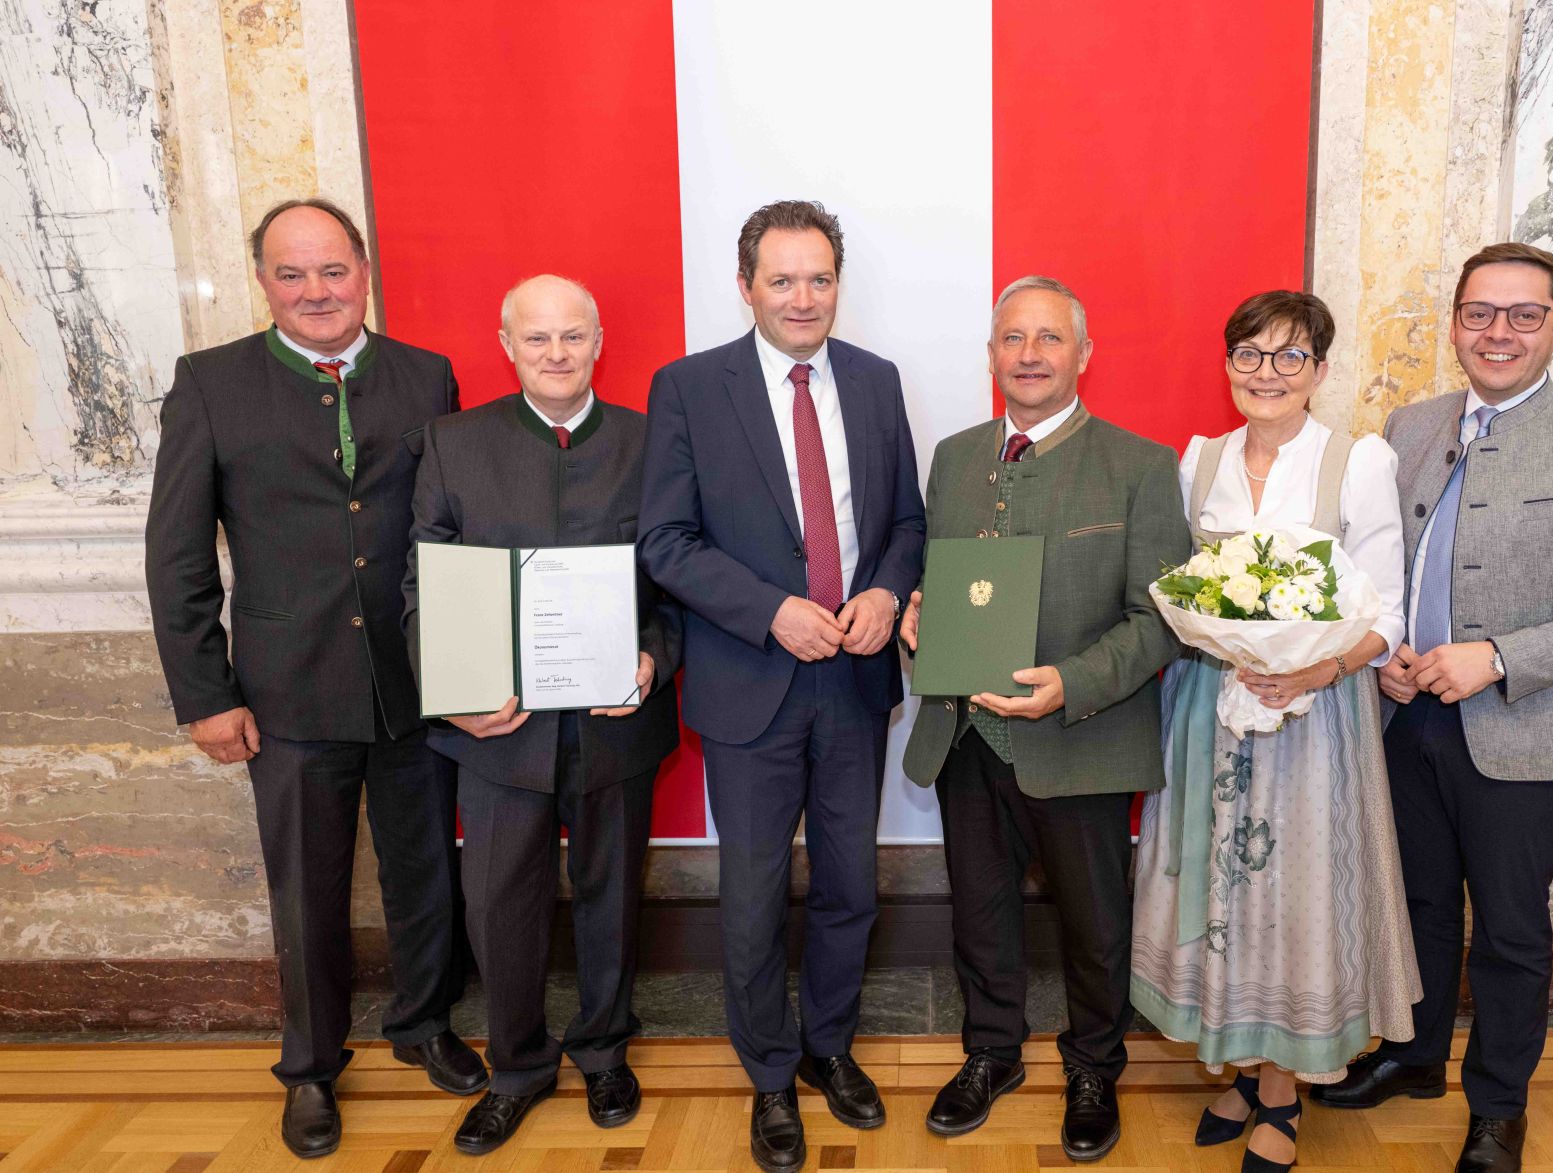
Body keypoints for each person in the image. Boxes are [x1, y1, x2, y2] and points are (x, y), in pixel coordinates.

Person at [1309, 243, 1553, 1173]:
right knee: (1418, 899)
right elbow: (1381, 568)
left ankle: (1498, 1106)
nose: (1497, 332)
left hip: (1525, 731)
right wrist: (1386, 652)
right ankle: (1414, 1055)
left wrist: (1498, 657)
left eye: (1522, 314)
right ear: (1455, 320)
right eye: (1479, 313)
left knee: (1509, 927)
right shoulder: (1414, 424)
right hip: (1407, 716)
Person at [144, 198, 483, 1158]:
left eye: (331, 269)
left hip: (420, 683)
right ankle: (308, 1067)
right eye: (291, 274)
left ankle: (422, 1025)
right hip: (287, 692)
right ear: (263, 281)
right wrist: (206, 694)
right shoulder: (209, 385)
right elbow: (176, 556)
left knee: (428, 876)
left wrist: (476, 659)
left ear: (364, 269)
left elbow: (458, 531)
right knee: (307, 892)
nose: (315, 291)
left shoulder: (427, 377)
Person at [638, 200, 926, 1173]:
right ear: (745, 285)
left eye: (819, 278)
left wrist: (887, 587)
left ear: (837, 284)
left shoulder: (878, 383)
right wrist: (768, 609)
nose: (803, 297)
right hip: (747, 681)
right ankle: (768, 1077)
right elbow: (664, 542)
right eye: (782, 279)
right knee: (755, 894)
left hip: (851, 681)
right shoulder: (687, 388)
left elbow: (906, 521)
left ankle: (827, 1049)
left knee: (849, 886)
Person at [1129, 290, 1420, 1173]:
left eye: (1291, 357)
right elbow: (1187, 588)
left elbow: (1387, 607)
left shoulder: (1357, 461)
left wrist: (1314, 667)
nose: (1268, 374)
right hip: (1211, 707)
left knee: (1290, 898)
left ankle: (1285, 1092)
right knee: (1221, 894)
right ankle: (1246, 1067)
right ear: (1228, 367)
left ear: (1320, 372)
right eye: (1251, 355)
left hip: (1315, 715)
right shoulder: (1200, 460)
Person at [898, 275, 1183, 1163]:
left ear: (1083, 355)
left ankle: (1095, 1065)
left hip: (1082, 736)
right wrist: (918, 619)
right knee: (980, 912)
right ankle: (991, 1052)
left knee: (1095, 923)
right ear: (992, 356)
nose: (1029, 354)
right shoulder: (953, 456)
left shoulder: (1140, 465)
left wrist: (1071, 681)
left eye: (1049, 338)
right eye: (1012, 339)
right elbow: (948, 583)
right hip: (966, 736)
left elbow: (1161, 616)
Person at [403, 275, 681, 1155]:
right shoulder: (452, 443)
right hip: (498, 732)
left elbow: (680, 578)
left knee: (612, 896)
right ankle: (517, 1067)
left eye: (572, 337)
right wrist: (456, 693)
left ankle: (604, 1050)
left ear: (599, 342)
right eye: (538, 339)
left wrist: (652, 657)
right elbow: (421, 585)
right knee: (499, 903)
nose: (557, 353)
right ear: (506, 343)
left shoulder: (651, 442)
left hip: (615, 720)